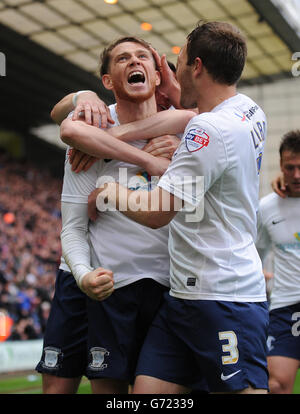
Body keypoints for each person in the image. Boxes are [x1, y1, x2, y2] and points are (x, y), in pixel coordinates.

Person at [87, 21, 269, 394]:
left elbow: (157, 213)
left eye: (180, 62)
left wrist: (108, 190)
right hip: (182, 299)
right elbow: (186, 105)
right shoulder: (249, 110)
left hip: (223, 296)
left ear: (197, 67)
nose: (173, 72)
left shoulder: (207, 133)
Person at [37, 36, 194, 394]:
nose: (134, 62)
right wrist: (82, 97)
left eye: (142, 57)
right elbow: (73, 228)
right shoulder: (88, 137)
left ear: (158, 77)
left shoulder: (189, 132)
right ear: (107, 81)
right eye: (122, 58)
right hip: (103, 283)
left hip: (168, 289)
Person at [256, 130, 300, 394]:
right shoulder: (267, 207)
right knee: (275, 385)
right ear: (281, 166)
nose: (296, 175)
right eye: (289, 168)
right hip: (285, 306)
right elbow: (255, 254)